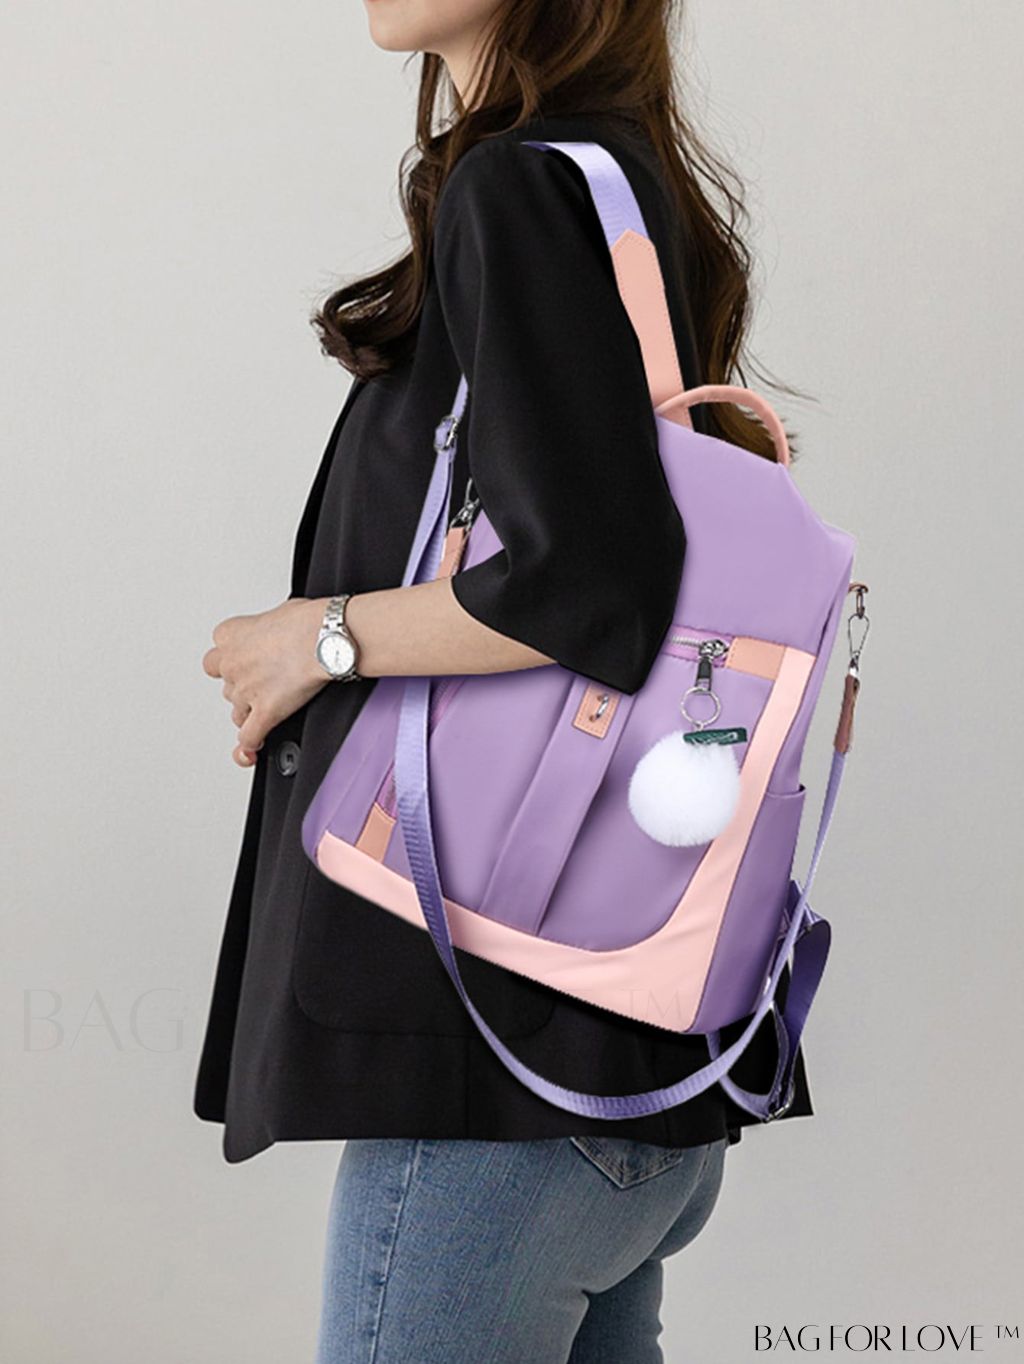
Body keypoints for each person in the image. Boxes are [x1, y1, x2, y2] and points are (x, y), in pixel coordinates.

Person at [195, 1, 814, 1358]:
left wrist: (320, 637)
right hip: (621, 1066)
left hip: (498, 1077)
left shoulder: (518, 186)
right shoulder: (615, 179)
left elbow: (585, 582)